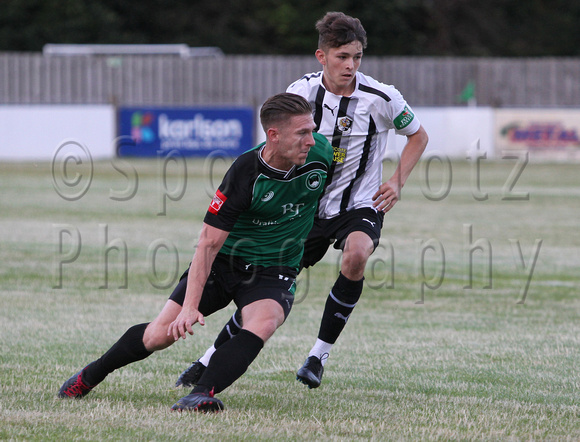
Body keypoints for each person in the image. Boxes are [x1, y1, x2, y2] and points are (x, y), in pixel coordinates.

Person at [176, 11, 429, 390]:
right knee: (265, 285)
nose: (350, 65)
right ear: (321, 56)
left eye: (357, 57)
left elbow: (418, 136)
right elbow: (275, 143)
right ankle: (210, 358)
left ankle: (317, 356)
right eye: (342, 56)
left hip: (358, 204)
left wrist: (397, 180)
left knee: (357, 255)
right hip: (303, 208)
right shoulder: (302, 92)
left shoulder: (382, 97)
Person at [57, 92, 333, 412]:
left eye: (312, 130)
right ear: (274, 135)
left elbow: (335, 195)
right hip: (223, 263)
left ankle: (200, 394)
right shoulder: (245, 173)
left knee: (265, 320)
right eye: (302, 133)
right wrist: (190, 307)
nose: (311, 140)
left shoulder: (321, 153)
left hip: (275, 266)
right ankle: (91, 374)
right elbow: (208, 243)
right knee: (160, 335)